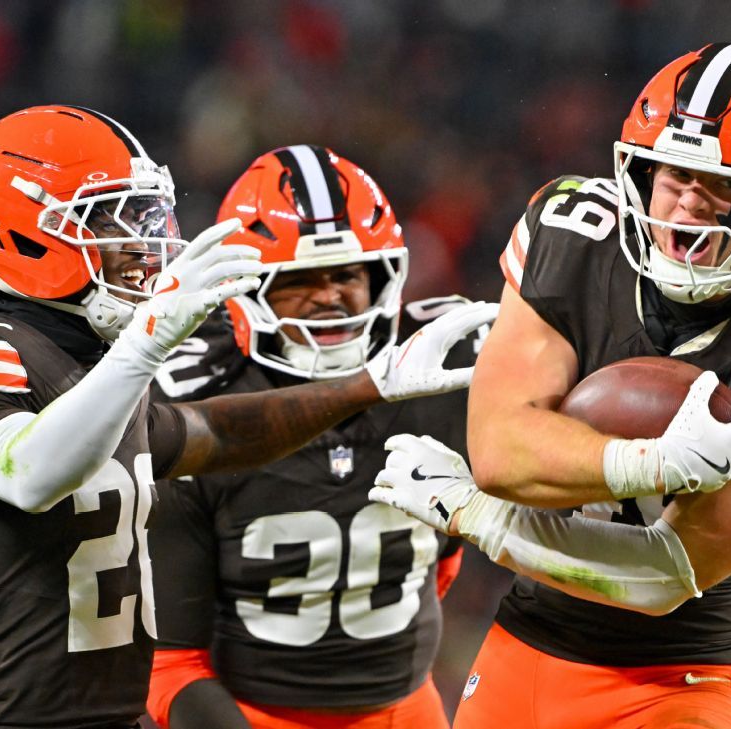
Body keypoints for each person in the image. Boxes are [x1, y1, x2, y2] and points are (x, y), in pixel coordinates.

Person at [0, 107, 490, 729]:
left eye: (143, 216)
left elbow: (220, 433)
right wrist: (142, 348)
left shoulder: (99, 371)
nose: (140, 243)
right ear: (19, 235)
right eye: (107, 221)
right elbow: (30, 473)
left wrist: (369, 385)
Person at [370, 43, 731, 728]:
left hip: (681, 678)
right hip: (528, 647)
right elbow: (499, 453)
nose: (688, 205)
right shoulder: (572, 235)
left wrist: (474, 514)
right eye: (674, 174)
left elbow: (664, 576)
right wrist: (650, 463)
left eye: (724, 186)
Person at [143, 145, 492, 729]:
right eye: (300, 278)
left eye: (348, 274)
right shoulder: (193, 399)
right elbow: (170, 663)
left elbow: (443, 562)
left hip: (406, 709)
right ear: (244, 289)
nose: (330, 296)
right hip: (249, 715)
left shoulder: (443, 368)